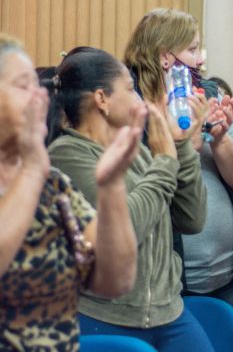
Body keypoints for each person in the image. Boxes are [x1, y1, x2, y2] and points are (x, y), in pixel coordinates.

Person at [46, 46, 213, 351]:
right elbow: (125, 230)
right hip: (102, 318)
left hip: (169, 313)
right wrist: (165, 161)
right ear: (102, 99)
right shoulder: (66, 156)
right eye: (130, 89)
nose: (140, 100)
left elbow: (193, 219)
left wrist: (182, 146)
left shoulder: (136, 151)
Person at [0, 35, 139, 351]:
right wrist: (33, 167)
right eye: (24, 87)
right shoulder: (39, 175)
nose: (41, 98)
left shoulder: (54, 186)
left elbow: (116, 280)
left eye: (39, 88)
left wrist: (112, 184)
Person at [123, 8, 233, 309]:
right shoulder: (129, 110)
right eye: (193, 50)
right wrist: (186, 144)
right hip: (161, 283)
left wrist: (221, 139)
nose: (201, 60)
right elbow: (139, 189)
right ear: (164, 57)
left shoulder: (206, 95)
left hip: (226, 278)